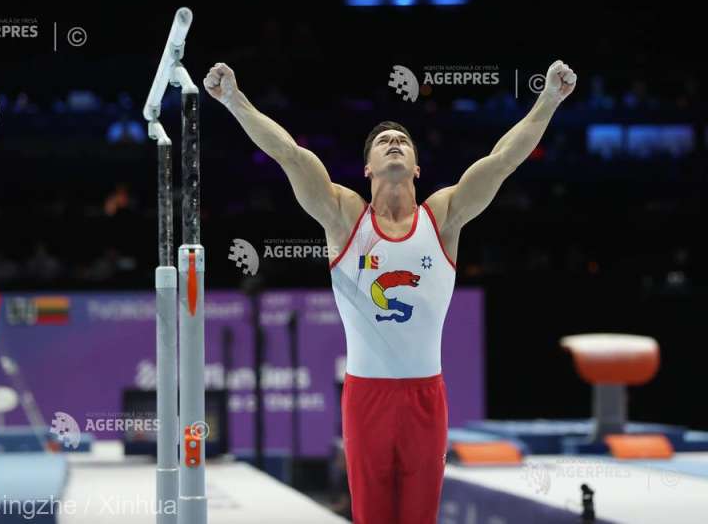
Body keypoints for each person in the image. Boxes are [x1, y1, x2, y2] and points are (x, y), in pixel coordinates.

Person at [204, 59, 577, 524]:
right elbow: (290, 155)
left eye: (403, 140)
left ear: (417, 167)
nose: (394, 143)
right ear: (367, 168)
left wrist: (548, 100)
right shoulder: (345, 217)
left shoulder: (443, 217)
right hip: (367, 400)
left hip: (426, 398)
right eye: (384, 142)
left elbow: (503, 160)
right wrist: (234, 100)